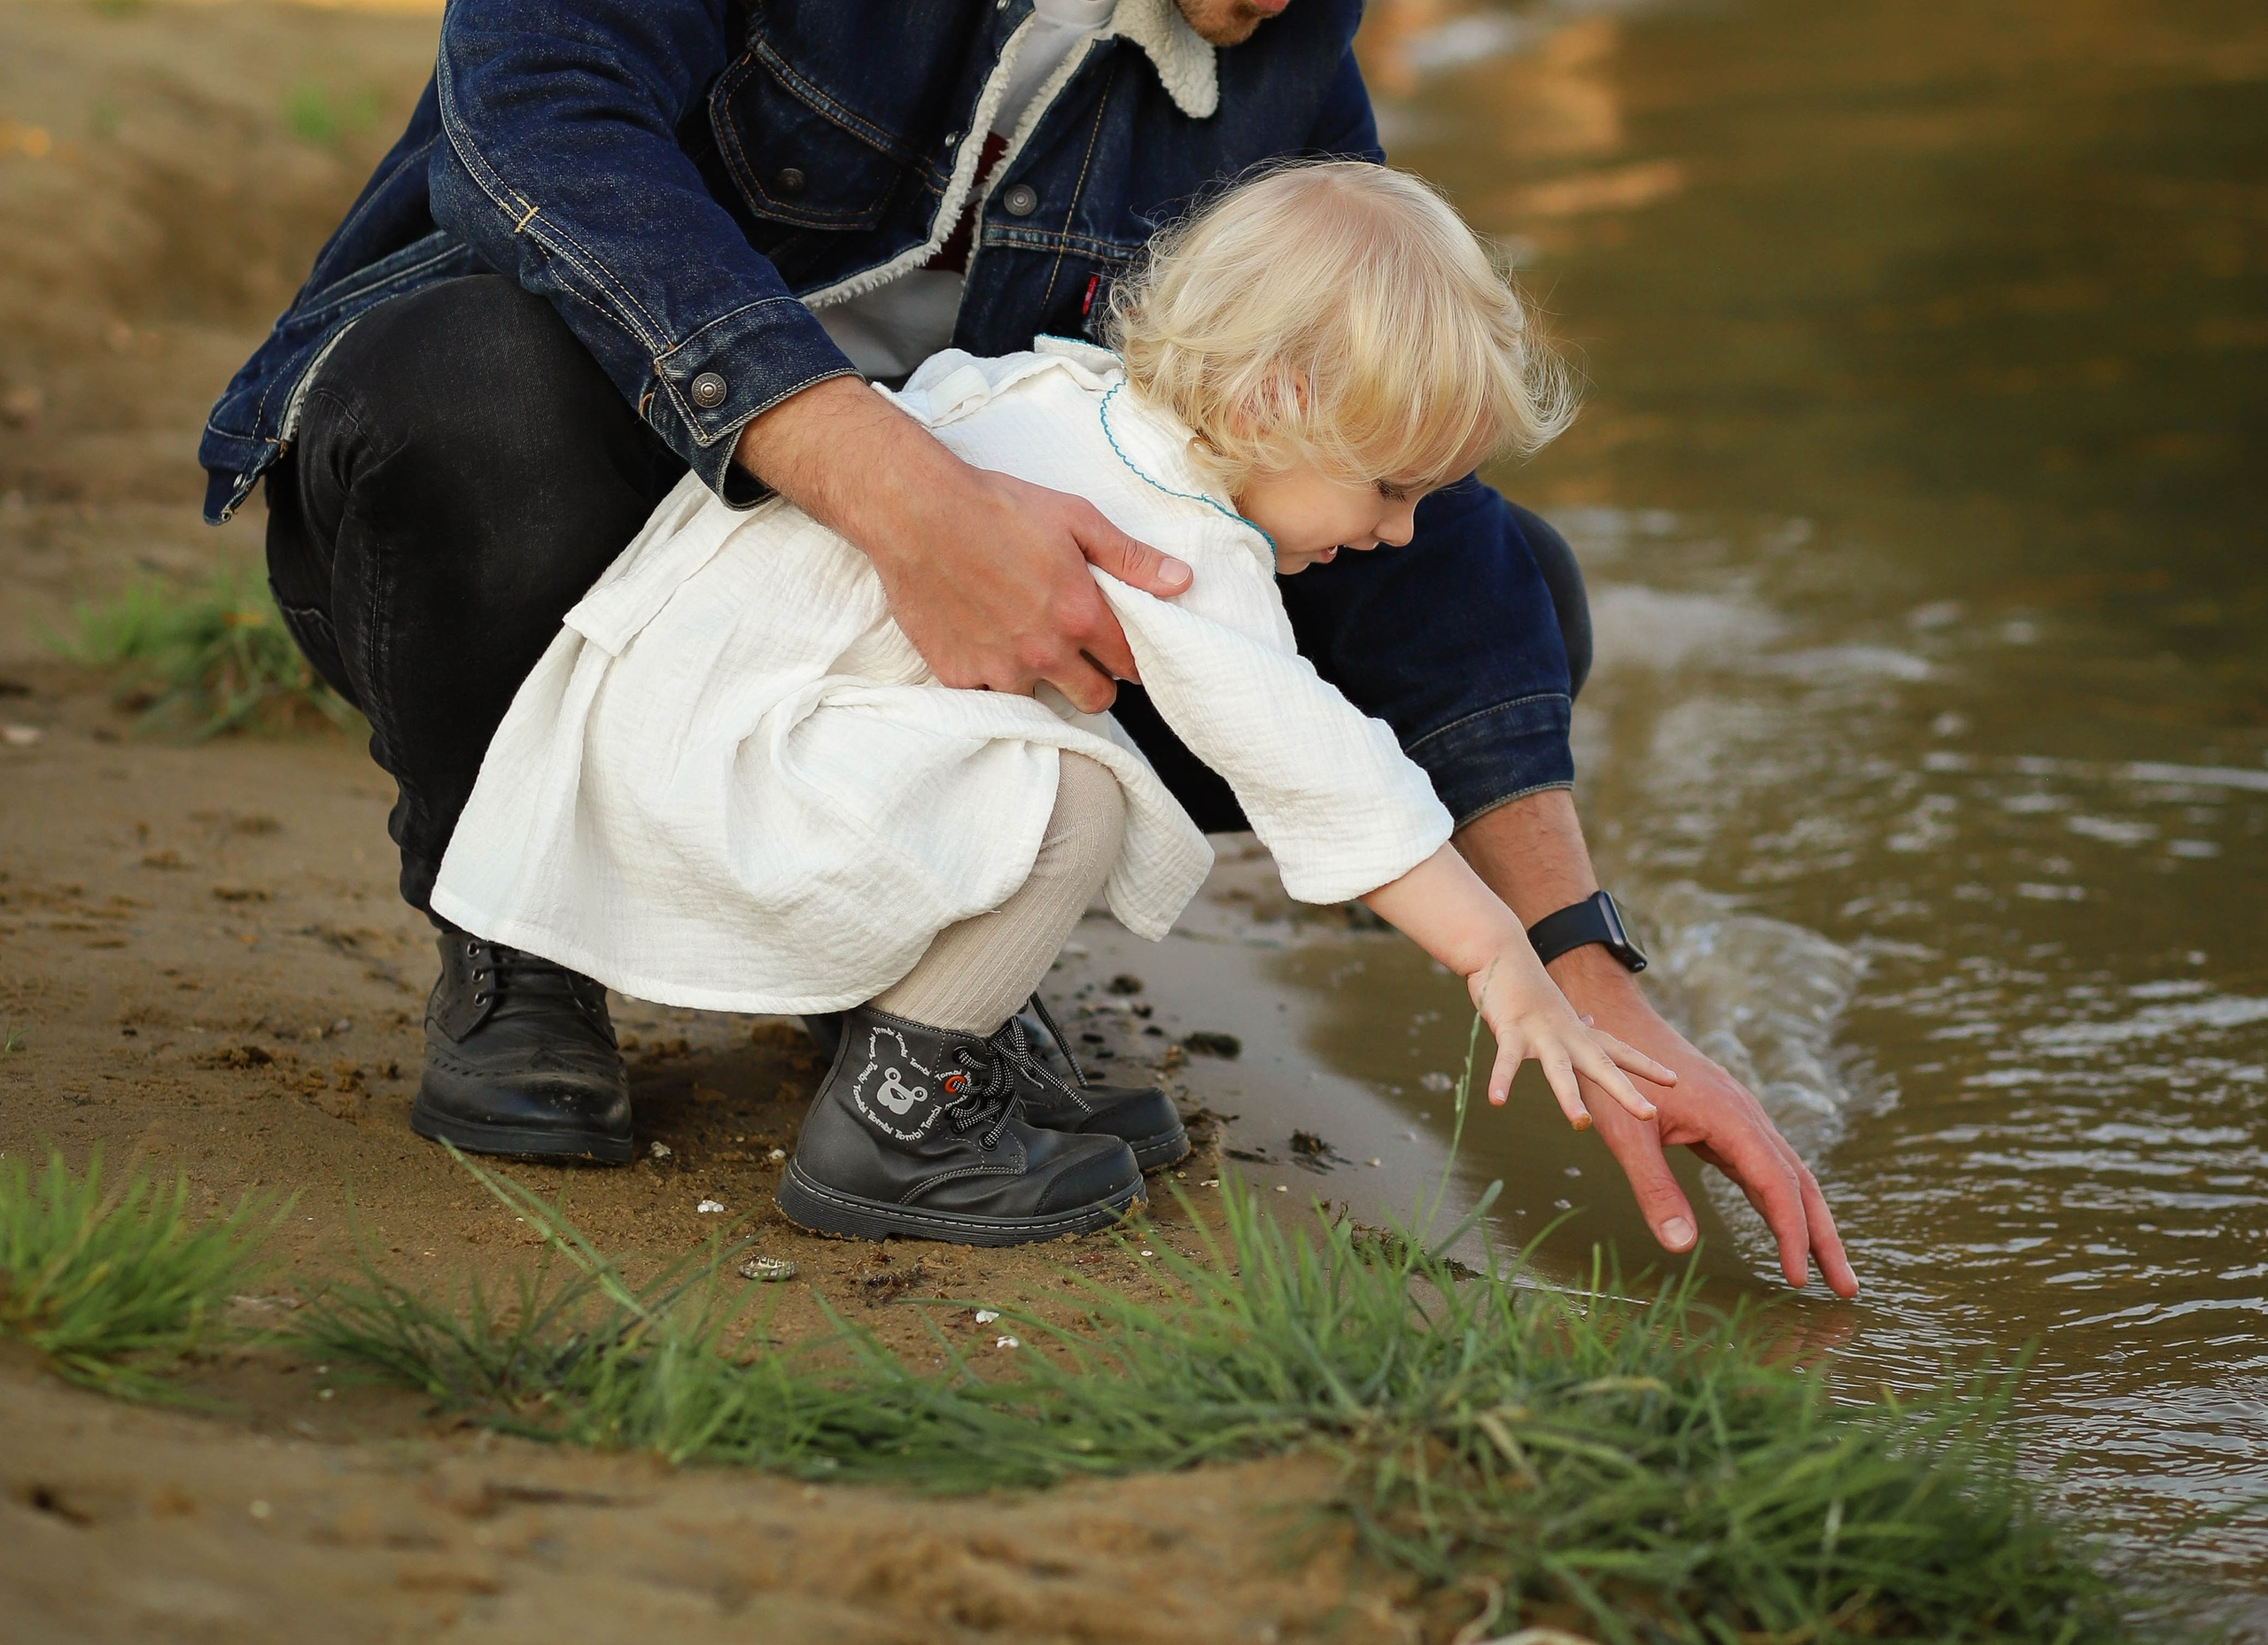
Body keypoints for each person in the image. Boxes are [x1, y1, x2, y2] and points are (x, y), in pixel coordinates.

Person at [200, 0, 1854, 1295]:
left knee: (1483, 574)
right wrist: (909, 499)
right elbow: (528, 116)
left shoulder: (1274, 26)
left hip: (895, 667)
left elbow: (1384, 486)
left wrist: (1584, 983)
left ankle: (912, 994)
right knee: (474, 369)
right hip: (544, 558)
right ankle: (503, 928)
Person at [434, 164, 1676, 1244]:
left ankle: (941, 1057)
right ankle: (901, 1120)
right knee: (1078, 792)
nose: (1403, 535)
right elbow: (1320, 764)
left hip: (638, 756)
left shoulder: (1056, 395)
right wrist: (1502, 963)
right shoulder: (1180, 528)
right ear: (1271, 406)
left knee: (1034, 740)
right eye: (1392, 490)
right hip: (737, 795)